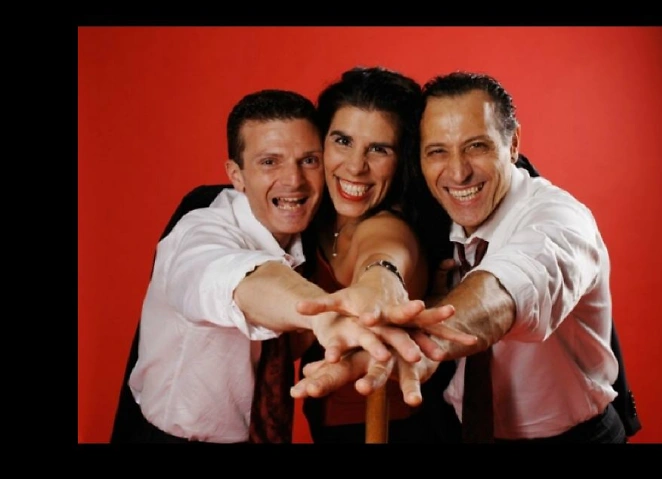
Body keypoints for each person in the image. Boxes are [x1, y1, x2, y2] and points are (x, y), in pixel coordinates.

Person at [292, 71, 627, 444]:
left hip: (572, 437)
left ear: (513, 144)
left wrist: (426, 341)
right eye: (437, 151)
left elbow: (505, 289)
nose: (458, 171)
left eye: (477, 146)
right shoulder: (436, 213)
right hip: (459, 429)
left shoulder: (558, 218)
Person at [125, 88, 453, 443]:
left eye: (308, 160)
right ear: (237, 175)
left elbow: (384, 244)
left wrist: (393, 285)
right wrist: (322, 315)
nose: (293, 180)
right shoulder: (199, 231)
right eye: (269, 162)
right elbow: (239, 280)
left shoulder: (309, 231)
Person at [293, 66, 469, 443]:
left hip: (400, 429)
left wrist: (380, 279)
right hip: (329, 422)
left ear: (403, 159)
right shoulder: (311, 217)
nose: (355, 166)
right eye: (343, 141)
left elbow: (386, 254)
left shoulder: (391, 224)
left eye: (379, 149)